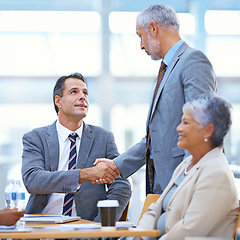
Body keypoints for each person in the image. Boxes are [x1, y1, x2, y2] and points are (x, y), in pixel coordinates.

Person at [94, 4, 217, 194]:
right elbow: (156, 137)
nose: (141, 45)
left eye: (140, 36)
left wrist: (188, 182)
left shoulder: (193, 61)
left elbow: (201, 127)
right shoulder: (167, 70)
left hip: (184, 185)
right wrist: (117, 165)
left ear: (153, 28)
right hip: (164, 185)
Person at [21, 72, 131, 222]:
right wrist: (87, 174)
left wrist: (99, 227)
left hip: (85, 228)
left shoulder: (103, 138)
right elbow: (33, 180)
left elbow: (121, 185)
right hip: (41, 226)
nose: (82, 97)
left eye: (85, 92)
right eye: (74, 92)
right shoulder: (35, 138)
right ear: (58, 101)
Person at [136, 94, 238, 239]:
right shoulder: (187, 163)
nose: (178, 128)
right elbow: (155, 209)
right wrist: (139, 236)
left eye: (186, 123)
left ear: (207, 131)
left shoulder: (216, 173)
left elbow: (189, 230)